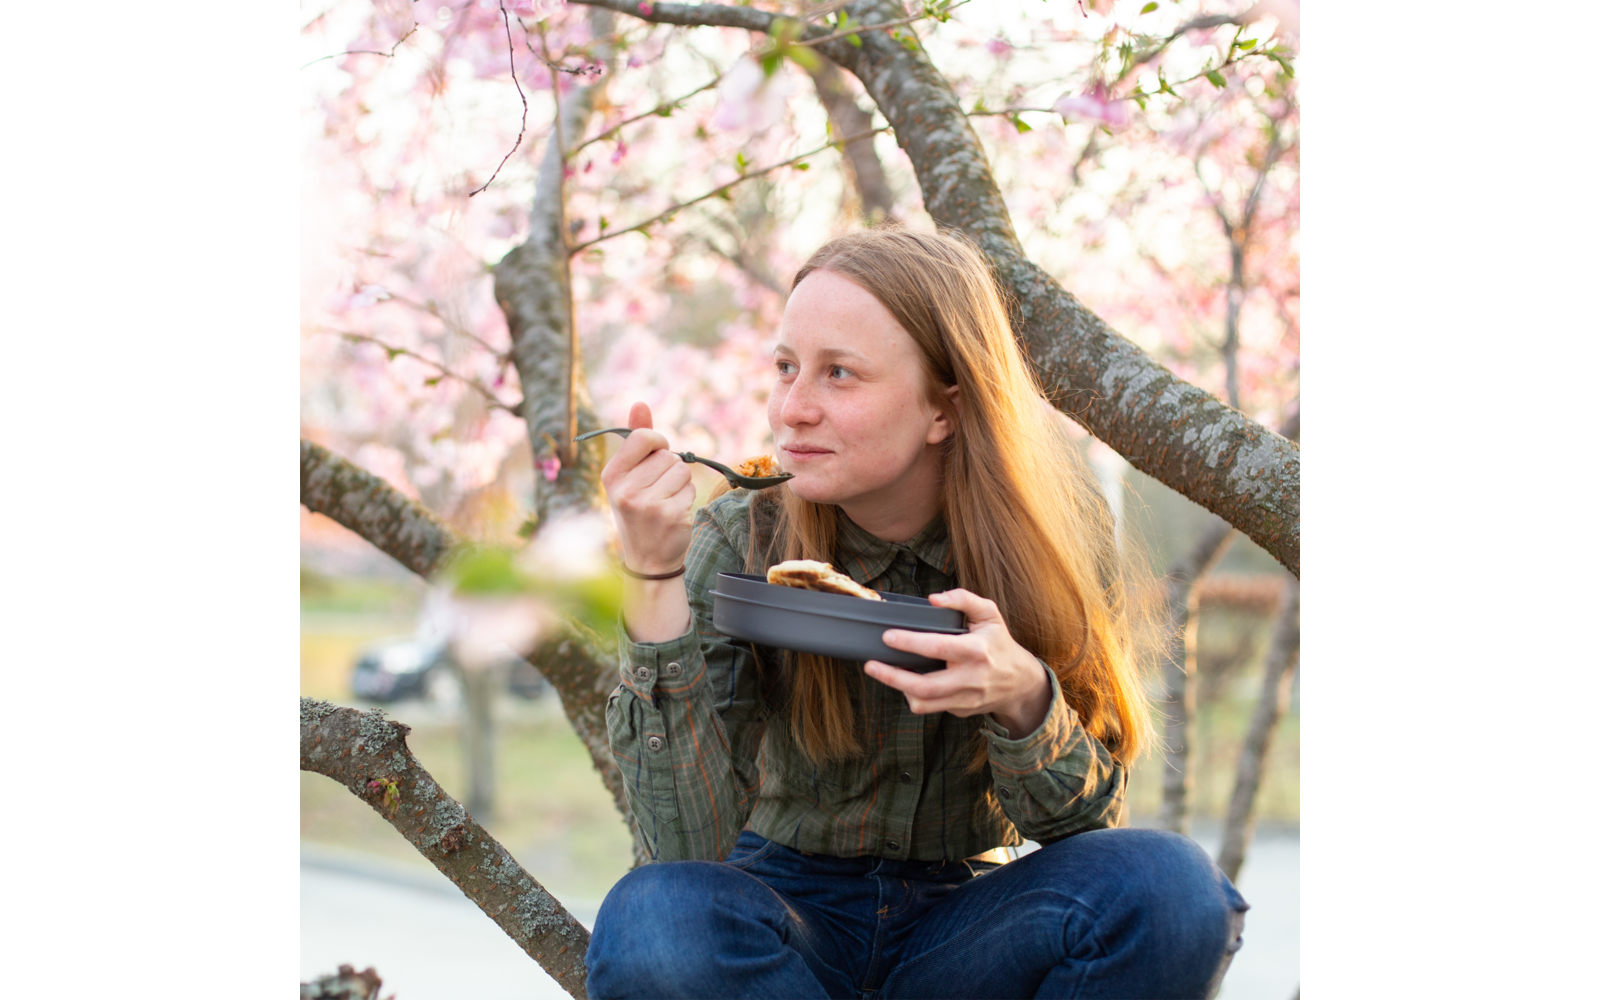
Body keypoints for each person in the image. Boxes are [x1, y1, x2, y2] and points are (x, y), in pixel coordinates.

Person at [585, 227, 1247, 999]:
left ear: (945, 407)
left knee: (1171, 890)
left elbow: (1085, 831)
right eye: (786, 368)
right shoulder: (738, 536)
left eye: (840, 374)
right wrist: (653, 573)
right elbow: (685, 848)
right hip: (781, 924)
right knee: (657, 918)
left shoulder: (1046, 546)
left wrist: (1022, 697)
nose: (792, 409)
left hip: (967, 926)